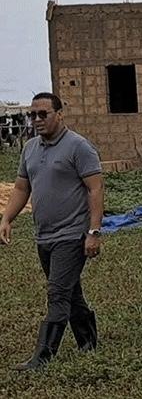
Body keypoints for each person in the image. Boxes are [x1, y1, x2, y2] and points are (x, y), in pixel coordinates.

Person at [0, 92, 103, 371]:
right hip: (43, 235)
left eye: (43, 114)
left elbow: (95, 189)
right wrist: (7, 218)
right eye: (33, 114)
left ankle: (43, 356)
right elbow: (22, 187)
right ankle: (88, 341)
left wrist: (93, 231)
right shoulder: (30, 148)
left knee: (57, 293)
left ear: (59, 114)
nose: (36, 119)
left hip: (72, 235)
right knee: (70, 291)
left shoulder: (78, 147)